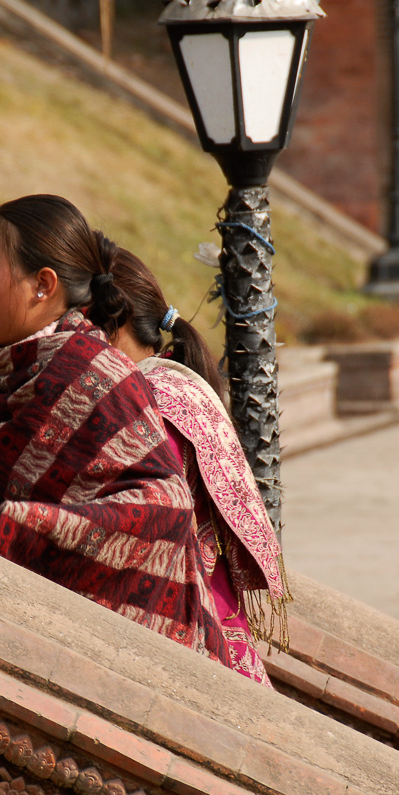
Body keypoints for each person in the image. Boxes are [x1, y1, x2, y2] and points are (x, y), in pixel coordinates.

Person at [0, 194, 229, 666]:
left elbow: (165, 506)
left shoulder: (88, 372)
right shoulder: (19, 371)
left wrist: (26, 526)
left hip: (144, 664)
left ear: (42, 285)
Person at [108, 248, 289, 686]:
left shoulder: (152, 408)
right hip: (216, 623)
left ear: (110, 324)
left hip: (196, 639)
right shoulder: (170, 386)